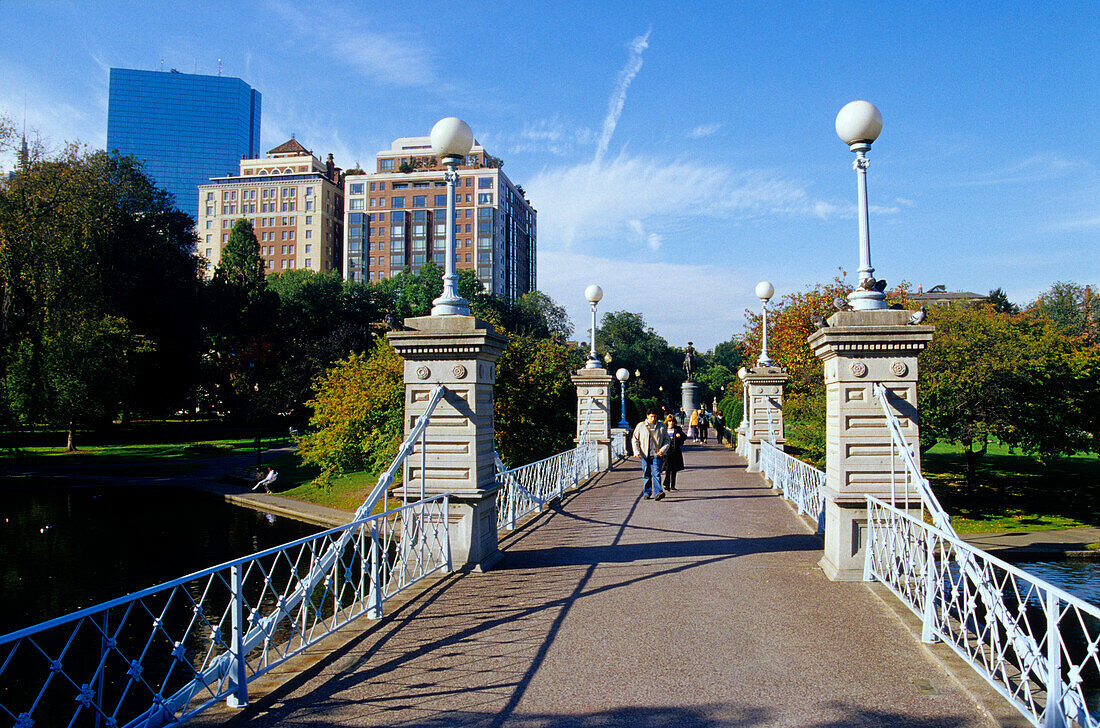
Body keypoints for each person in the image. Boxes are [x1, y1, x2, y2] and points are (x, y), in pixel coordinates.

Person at [631, 409, 669, 501]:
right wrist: (636, 452)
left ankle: (658, 493)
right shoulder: (641, 426)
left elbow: (667, 440)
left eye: (655, 416)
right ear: (647, 416)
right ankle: (647, 492)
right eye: (651, 416)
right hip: (645, 454)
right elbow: (635, 439)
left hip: (656, 454)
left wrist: (663, 450)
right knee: (646, 473)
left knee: (656, 473)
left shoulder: (661, 426)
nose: (653, 418)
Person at [662, 414, 687, 491]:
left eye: (672, 421)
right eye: (669, 421)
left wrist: (680, 436)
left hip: (675, 450)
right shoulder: (664, 429)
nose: (671, 423)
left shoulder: (677, 429)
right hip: (667, 451)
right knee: (668, 468)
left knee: (674, 469)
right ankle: (666, 483)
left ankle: (672, 485)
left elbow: (684, 437)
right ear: (667, 422)